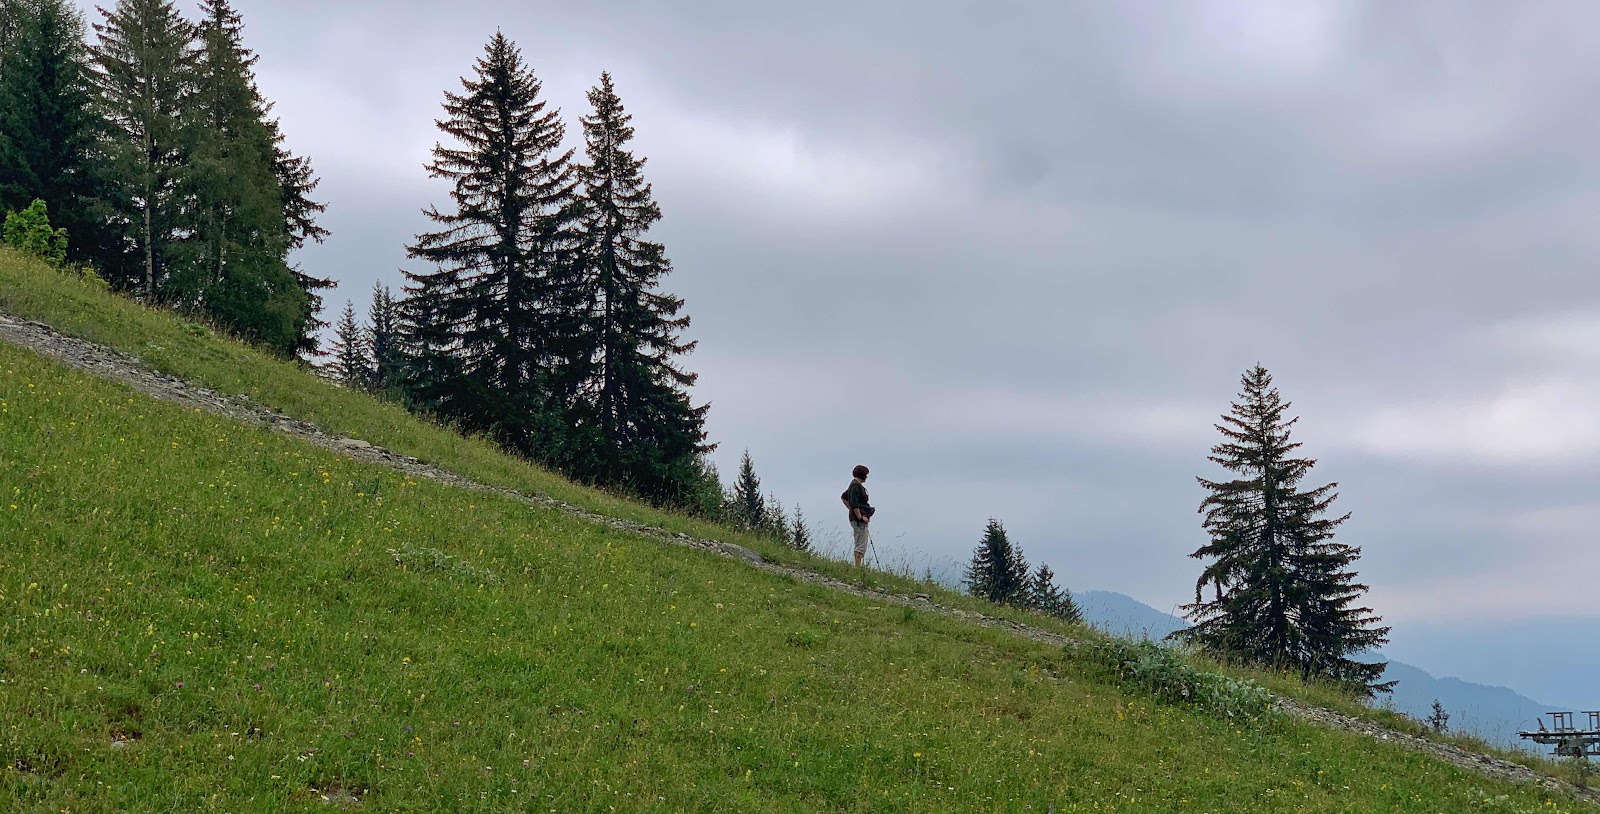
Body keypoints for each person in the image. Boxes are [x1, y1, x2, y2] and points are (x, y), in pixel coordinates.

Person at [840, 464, 873, 567]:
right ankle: (857, 567)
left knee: (862, 541)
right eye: (866, 474)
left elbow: (844, 497)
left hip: (858, 518)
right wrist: (860, 516)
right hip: (859, 520)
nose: (867, 477)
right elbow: (854, 503)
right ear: (862, 474)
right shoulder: (855, 486)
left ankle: (858, 565)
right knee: (860, 543)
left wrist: (851, 510)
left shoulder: (854, 485)